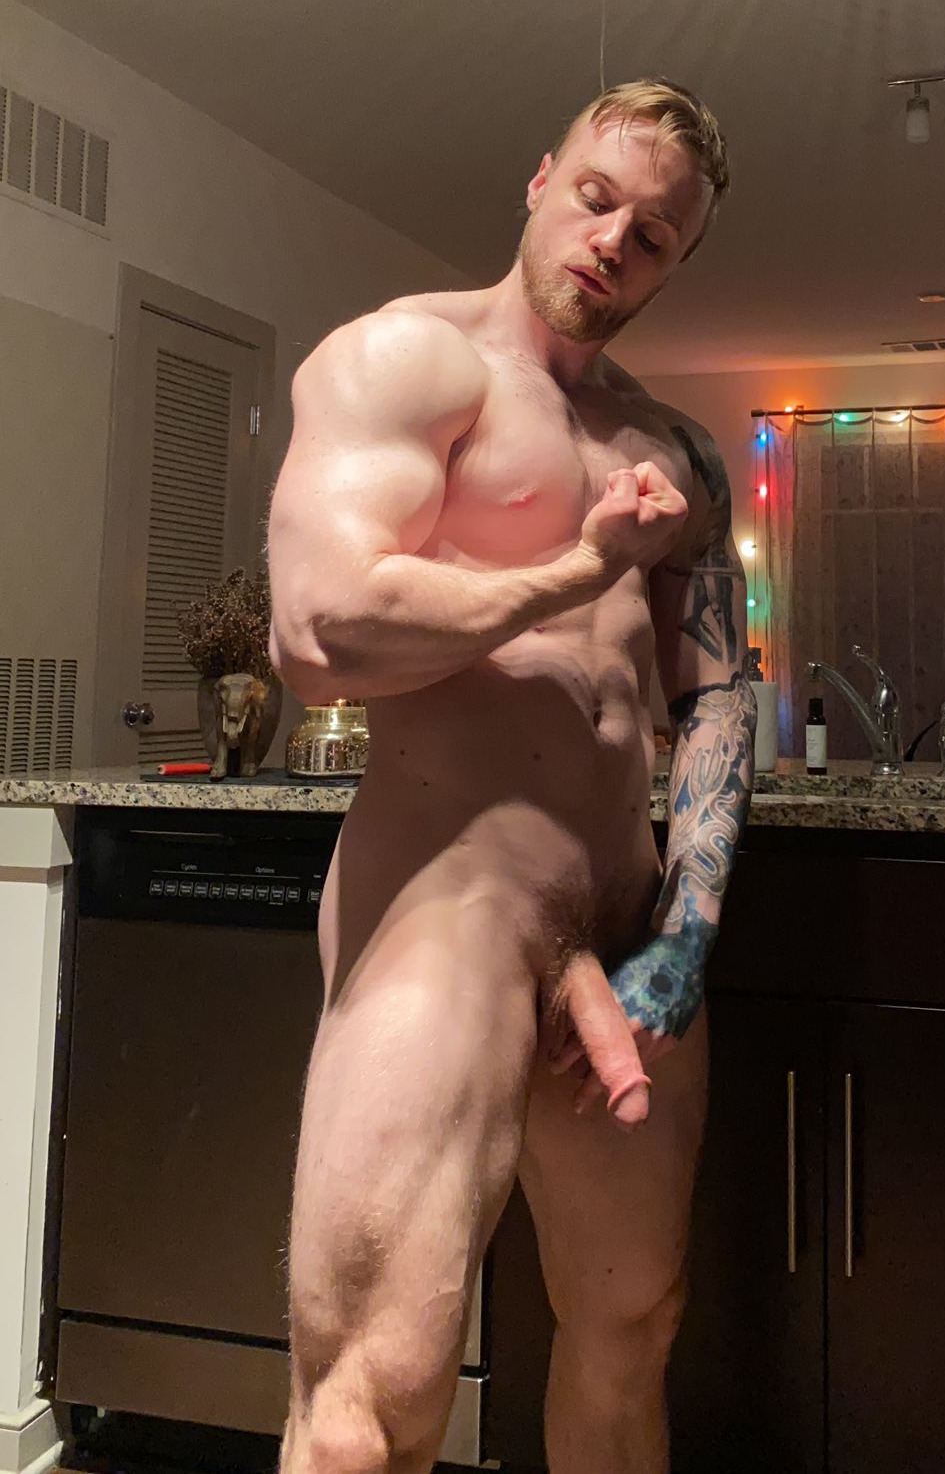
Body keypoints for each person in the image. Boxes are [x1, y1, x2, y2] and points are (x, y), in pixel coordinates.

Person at [267, 77, 756, 1474]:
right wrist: (576, 570)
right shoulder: (407, 364)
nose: (614, 242)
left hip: (629, 923)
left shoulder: (675, 452)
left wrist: (687, 936)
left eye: (653, 236)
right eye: (597, 199)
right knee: (370, 1407)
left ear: (674, 264)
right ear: (542, 181)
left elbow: (717, 689)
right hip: (453, 902)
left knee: (630, 1332)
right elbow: (320, 635)